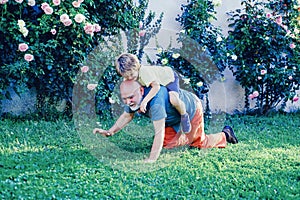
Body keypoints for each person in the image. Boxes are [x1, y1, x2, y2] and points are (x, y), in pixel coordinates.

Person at [93, 80, 238, 163]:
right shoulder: (135, 98)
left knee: (198, 142)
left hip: (191, 110)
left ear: (142, 91)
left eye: (130, 97)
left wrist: (152, 159)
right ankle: (184, 135)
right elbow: (127, 115)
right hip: (171, 118)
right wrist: (110, 131)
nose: (128, 101)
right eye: (125, 99)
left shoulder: (155, 104)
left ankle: (225, 134)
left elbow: (159, 132)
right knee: (167, 145)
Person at [115, 53, 191, 133]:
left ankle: (184, 115)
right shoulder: (130, 78)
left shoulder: (144, 72)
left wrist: (144, 102)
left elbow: (156, 87)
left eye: (131, 74)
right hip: (157, 81)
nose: (130, 78)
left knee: (173, 99)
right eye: (127, 77)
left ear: (136, 67)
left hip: (169, 79)